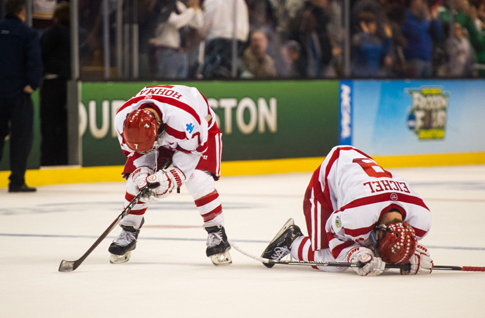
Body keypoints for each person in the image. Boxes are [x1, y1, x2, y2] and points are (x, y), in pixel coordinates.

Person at [261, 145, 433, 276]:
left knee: (361, 242)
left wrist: (408, 253)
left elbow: (401, 240)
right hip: (329, 179)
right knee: (331, 261)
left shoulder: (421, 221)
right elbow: (331, 228)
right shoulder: (357, 217)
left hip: (358, 186)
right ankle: (291, 241)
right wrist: (351, 254)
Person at [110, 84, 232, 266]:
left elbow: (191, 155)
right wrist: (142, 174)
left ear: (159, 127)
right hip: (158, 133)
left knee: (198, 180)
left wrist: (171, 177)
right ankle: (129, 230)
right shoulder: (122, 119)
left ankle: (216, 232)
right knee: (136, 184)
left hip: (199, 131)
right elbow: (136, 153)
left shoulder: (183, 119)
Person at [0, 0, 43, 192]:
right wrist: (32, 83)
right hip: (18, 93)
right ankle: (16, 180)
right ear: (22, 12)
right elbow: (34, 60)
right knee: (21, 136)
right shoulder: (27, 33)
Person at [200, 0, 249, 78]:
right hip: (238, 45)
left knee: (215, 77)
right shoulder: (240, 0)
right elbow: (245, 28)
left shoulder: (213, 0)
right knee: (235, 77)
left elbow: (203, 27)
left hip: (218, 44)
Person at [152, 0, 202, 79]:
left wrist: (195, 6)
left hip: (182, 52)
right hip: (167, 51)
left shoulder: (179, 5)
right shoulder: (159, 5)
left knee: (181, 87)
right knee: (168, 86)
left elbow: (197, 23)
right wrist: (192, 9)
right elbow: (177, 22)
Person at [40, 2, 70, 166]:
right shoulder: (77, 33)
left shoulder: (52, 33)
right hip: (70, 83)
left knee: (50, 123)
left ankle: (50, 159)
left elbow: (41, 54)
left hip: (52, 83)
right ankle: (64, 157)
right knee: (65, 123)